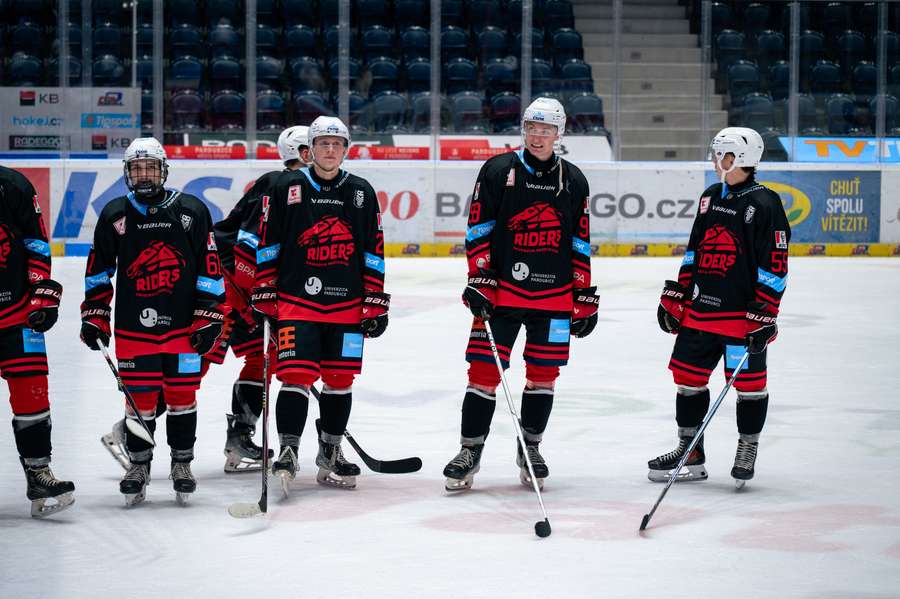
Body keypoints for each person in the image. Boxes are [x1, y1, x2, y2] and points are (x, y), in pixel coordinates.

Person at [100, 126, 314, 473]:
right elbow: (245, 246)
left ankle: (240, 436)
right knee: (191, 367)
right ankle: (129, 430)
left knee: (264, 358)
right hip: (228, 287)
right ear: (302, 151)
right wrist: (252, 299)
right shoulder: (278, 183)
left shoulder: (312, 191)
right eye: (315, 146)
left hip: (253, 292)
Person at [442, 97, 598, 492]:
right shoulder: (498, 170)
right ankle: (469, 451)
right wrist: (480, 279)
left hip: (555, 298)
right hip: (502, 294)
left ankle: (531, 448)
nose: (538, 136)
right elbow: (478, 228)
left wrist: (583, 293)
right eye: (532, 128)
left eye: (546, 130)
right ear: (524, 129)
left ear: (559, 133)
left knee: (544, 376)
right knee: (482, 373)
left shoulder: (574, 179)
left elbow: (580, 240)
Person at [81, 138, 226, 506]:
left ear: (163, 170)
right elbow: (98, 270)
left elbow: (210, 266)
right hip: (134, 327)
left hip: (183, 327)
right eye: (137, 168)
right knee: (139, 401)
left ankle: (182, 464)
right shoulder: (115, 213)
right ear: (127, 173)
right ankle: (139, 465)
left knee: (181, 398)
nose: (143, 174)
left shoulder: (191, 210)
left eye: (150, 167)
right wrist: (96, 313)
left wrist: (208, 314)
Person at [251, 116, 389, 491]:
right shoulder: (286, 187)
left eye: (336, 144)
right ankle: (288, 450)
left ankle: (330, 451)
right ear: (309, 150)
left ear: (346, 150)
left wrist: (375, 298)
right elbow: (269, 240)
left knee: (340, 380)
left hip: (347, 305)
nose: (330, 150)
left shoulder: (361, 191)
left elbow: (373, 248)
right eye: (323, 144)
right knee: (295, 376)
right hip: (297, 301)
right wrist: (264, 287)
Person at [649, 127, 790, 487]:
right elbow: (694, 250)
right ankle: (690, 451)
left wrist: (765, 312)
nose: (715, 160)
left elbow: (775, 262)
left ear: (740, 158)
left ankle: (747, 447)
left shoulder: (766, 203)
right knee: (687, 380)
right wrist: (679, 295)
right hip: (700, 312)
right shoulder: (710, 196)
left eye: (721, 155)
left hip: (741, 318)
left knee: (750, 386)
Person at [0, 165, 74, 517]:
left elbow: (35, 241)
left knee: (32, 392)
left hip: (16, 310)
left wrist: (41, 290)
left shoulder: (11, 184)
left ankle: (38, 473)